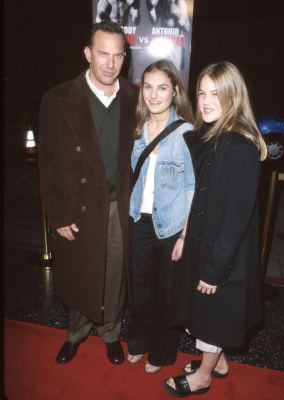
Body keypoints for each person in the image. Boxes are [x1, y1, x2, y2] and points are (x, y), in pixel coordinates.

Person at [163, 61, 267, 397]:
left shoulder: (238, 146)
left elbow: (236, 219)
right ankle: (218, 363)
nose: (206, 101)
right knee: (203, 313)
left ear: (233, 97)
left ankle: (204, 375)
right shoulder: (211, 137)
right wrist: (183, 236)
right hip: (203, 243)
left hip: (223, 256)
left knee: (212, 317)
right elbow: (197, 197)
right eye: (202, 93)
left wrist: (214, 270)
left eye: (216, 94)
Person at [38, 21, 138, 365]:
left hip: (118, 205)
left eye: (117, 56)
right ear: (87, 54)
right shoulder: (58, 99)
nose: (109, 64)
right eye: (102, 54)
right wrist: (58, 216)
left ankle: (110, 332)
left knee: (115, 275)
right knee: (82, 272)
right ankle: (77, 333)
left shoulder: (134, 97)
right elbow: (47, 165)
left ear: (124, 58)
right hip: (78, 207)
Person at [126, 59, 195, 374]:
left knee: (166, 292)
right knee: (139, 288)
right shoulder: (136, 127)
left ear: (175, 91)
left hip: (170, 228)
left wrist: (184, 234)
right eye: (148, 87)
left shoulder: (186, 132)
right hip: (139, 220)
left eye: (162, 87)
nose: (154, 95)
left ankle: (163, 352)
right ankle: (138, 342)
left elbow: (193, 189)